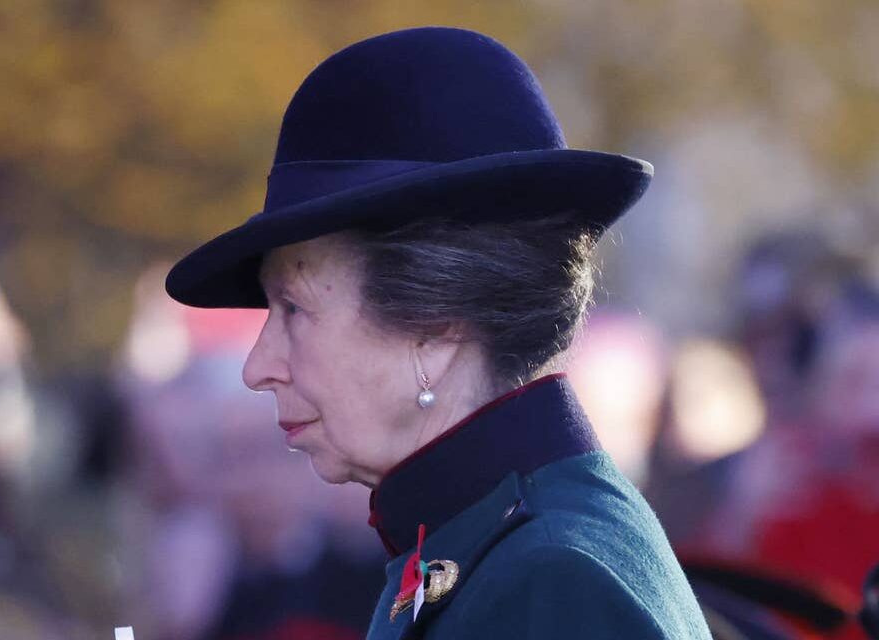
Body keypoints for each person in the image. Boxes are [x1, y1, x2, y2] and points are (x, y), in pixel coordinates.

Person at [165, 27, 713, 639]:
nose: (258, 366)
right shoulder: (482, 543)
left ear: (437, 321)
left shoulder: (550, 576)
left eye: (293, 309)